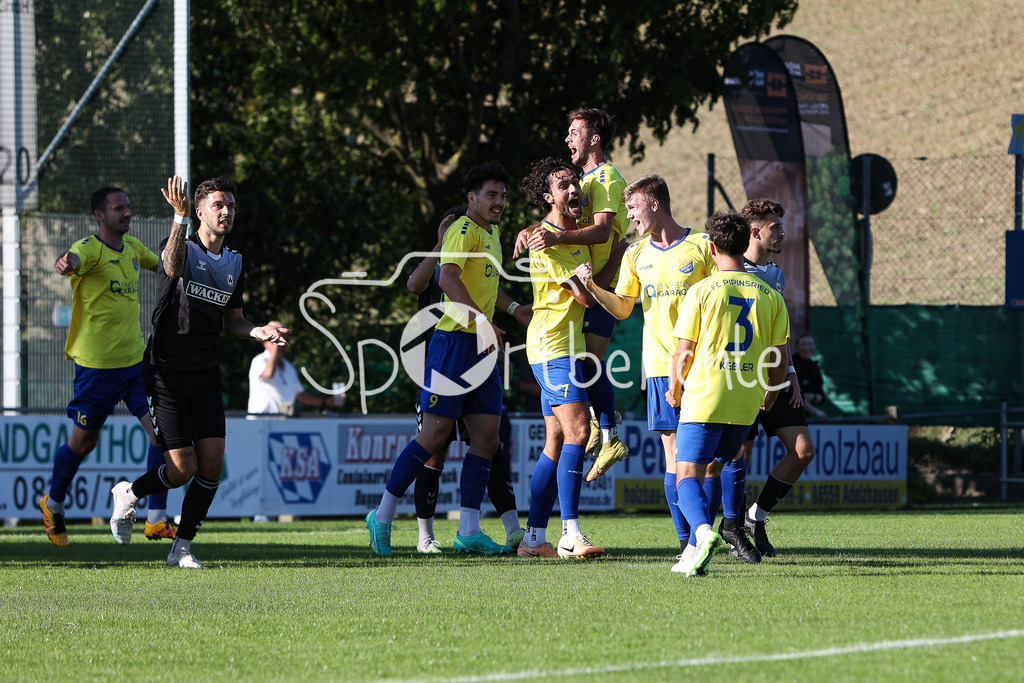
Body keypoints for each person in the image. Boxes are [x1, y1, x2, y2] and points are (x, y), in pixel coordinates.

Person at [108, 176, 289, 569]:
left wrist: (258, 331)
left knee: (212, 464)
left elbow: (235, 321)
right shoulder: (181, 247)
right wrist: (178, 218)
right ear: (202, 210)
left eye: (232, 206)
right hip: (166, 372)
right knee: (181, 468)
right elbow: (170, 267)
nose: (226, 212)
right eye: (219, 205)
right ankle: (129, 493)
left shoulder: (235, 263)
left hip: (205, 372)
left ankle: (182, 548)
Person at [365, 162, 527, 556]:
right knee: (435, 437)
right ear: (471, 198)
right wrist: (484, 322)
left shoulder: (492, 235)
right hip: (453, 343)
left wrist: (516, 307)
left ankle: (468, 530)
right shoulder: (463, 230)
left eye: (503, 195)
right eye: (491, 194)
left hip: (481, 348)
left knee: (487, 439)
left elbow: (487, 286)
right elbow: (447, 278)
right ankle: (382, 516)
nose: (499, 202)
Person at [575, 174, 714, 559]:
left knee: (712, 460)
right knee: (674, 458)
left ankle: (714, 533)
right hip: (658, 369)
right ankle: (688, 543)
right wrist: (592, 289)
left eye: (633, 207)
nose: (630, 216)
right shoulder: (636, 254)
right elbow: (622, 307)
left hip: (704, 367)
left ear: (654, 204)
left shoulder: (703, 246)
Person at [39, 186, 177, 547]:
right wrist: (65, 262)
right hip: (96, 370)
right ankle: (52, 503)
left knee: (163, 436)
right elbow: (73, 258)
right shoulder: (90, 249)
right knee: (83, 443)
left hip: (135, 365)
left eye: (129, 207)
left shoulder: (132, 250)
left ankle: (156, 520)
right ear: (100, 215)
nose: (127, 213)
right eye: (119, 209)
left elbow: (164, 264)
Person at [665, 211, 790, 577]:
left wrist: (675, 388)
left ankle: (703, 534)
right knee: (714, 468)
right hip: (747, 401)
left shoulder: (702, 289)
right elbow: (780, 359)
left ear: (711, 247)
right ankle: (691, 553)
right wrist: (770, 394)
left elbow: (684, 350)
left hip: (707, 395)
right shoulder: (771, 295)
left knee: (685, 473)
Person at [405, 207, 529, 554]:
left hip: (474, 355)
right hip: (440, 359)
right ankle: (425, 536)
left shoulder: (480, 255)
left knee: (489, 443)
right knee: (435, 448)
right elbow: (414, 284)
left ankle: (511, 528)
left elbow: (493, 294)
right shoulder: (445, 265)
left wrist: (513, 309)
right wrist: (439, 244)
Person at [515, 108, 629, 481]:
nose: (568, 138)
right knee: (585, 368)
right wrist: (532, 228)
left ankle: (609, 433)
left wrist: (555, 237)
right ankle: (601, 426)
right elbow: (563, 218)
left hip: (603, 286)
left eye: (574, 131)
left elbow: (600, 232)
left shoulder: (607, 176)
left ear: (594, 138)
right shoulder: (583, 180)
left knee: (590, 363)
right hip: (591, 284)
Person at [516, 157, 604, 559]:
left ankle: (533, 540)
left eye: (575, 183)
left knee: (556, 438)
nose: (573, 190)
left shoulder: (571, 238)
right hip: (554, 346)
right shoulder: (543, 240)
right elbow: (584, 296)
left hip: (561, 345)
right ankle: (570, 534)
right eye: (563, 185)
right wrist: (587, 279)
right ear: (548, 196)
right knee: (579, 432)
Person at [247, 321, 343, 415]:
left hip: (281, 424)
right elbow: (268, 374)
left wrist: (325, 402)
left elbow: (300, 395)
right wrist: (276, 344)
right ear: (265, 343)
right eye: (275, 340)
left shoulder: (289, 367)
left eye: (284, 340)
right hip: (260, 422)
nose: (281, 345)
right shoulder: (259, 360)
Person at [793, 333, 828, 420]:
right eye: (803, 344)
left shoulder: (815, 368)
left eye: (810, 344)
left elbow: (821, 396)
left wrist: (813, 397)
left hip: (805, 418)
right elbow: (795, 396)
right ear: (797, 347)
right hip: (789, 417)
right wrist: (817, 412)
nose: (807, 348)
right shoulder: (791, 366)